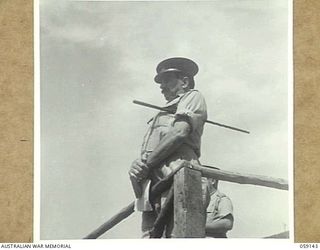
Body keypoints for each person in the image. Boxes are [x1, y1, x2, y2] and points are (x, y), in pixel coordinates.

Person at [128, 57, 209, 238]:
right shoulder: (159, 115)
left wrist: (146, 165)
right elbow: (148, 153)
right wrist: (136, 167)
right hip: (153, 190)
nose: (161, 87)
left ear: (185, 81)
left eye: (166, 80)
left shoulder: (193, 97)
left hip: (179, 180)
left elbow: (179, 133)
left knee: (179, 236)